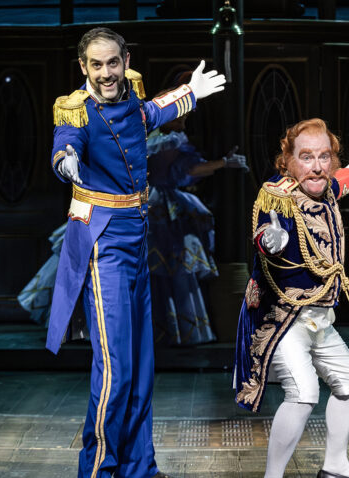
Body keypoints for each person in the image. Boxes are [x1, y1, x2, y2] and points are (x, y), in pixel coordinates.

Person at [46, 26, 225, 478]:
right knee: (115, 367)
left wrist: (191, 93)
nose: (106, 73)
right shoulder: (76, 110)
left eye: (113, 62)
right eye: (96, 65)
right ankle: (98, 471)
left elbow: (153, 111)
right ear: (83, 67)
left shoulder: (131, 101)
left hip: (139, 237)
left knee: (142, 364)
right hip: (103, 244)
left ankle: (139, 468)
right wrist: (66, 161)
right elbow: (66, 141)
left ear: (125, 61)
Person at [233, 118, 349, 478]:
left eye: (325, 157)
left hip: (319, 317)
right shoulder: (277, 196)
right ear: (288, 161)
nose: (317, 166)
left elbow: (344, 182)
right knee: (304, 392)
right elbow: (265, 231)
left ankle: (335, 466)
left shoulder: (326, 187)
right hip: (284, 317)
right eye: (306, 157)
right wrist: (270, 240)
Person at [146, 82, 249, 345]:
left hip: (159, 199)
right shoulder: (166, 140)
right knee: (165, 263)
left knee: (166, 265)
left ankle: (164, 327)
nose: (183, 120)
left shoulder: (162, 138)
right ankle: (162, 328)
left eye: (185, 115)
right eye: (179, 115)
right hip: (156, 202)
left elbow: (185, 170)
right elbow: (188, 170)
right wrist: (223, 163)